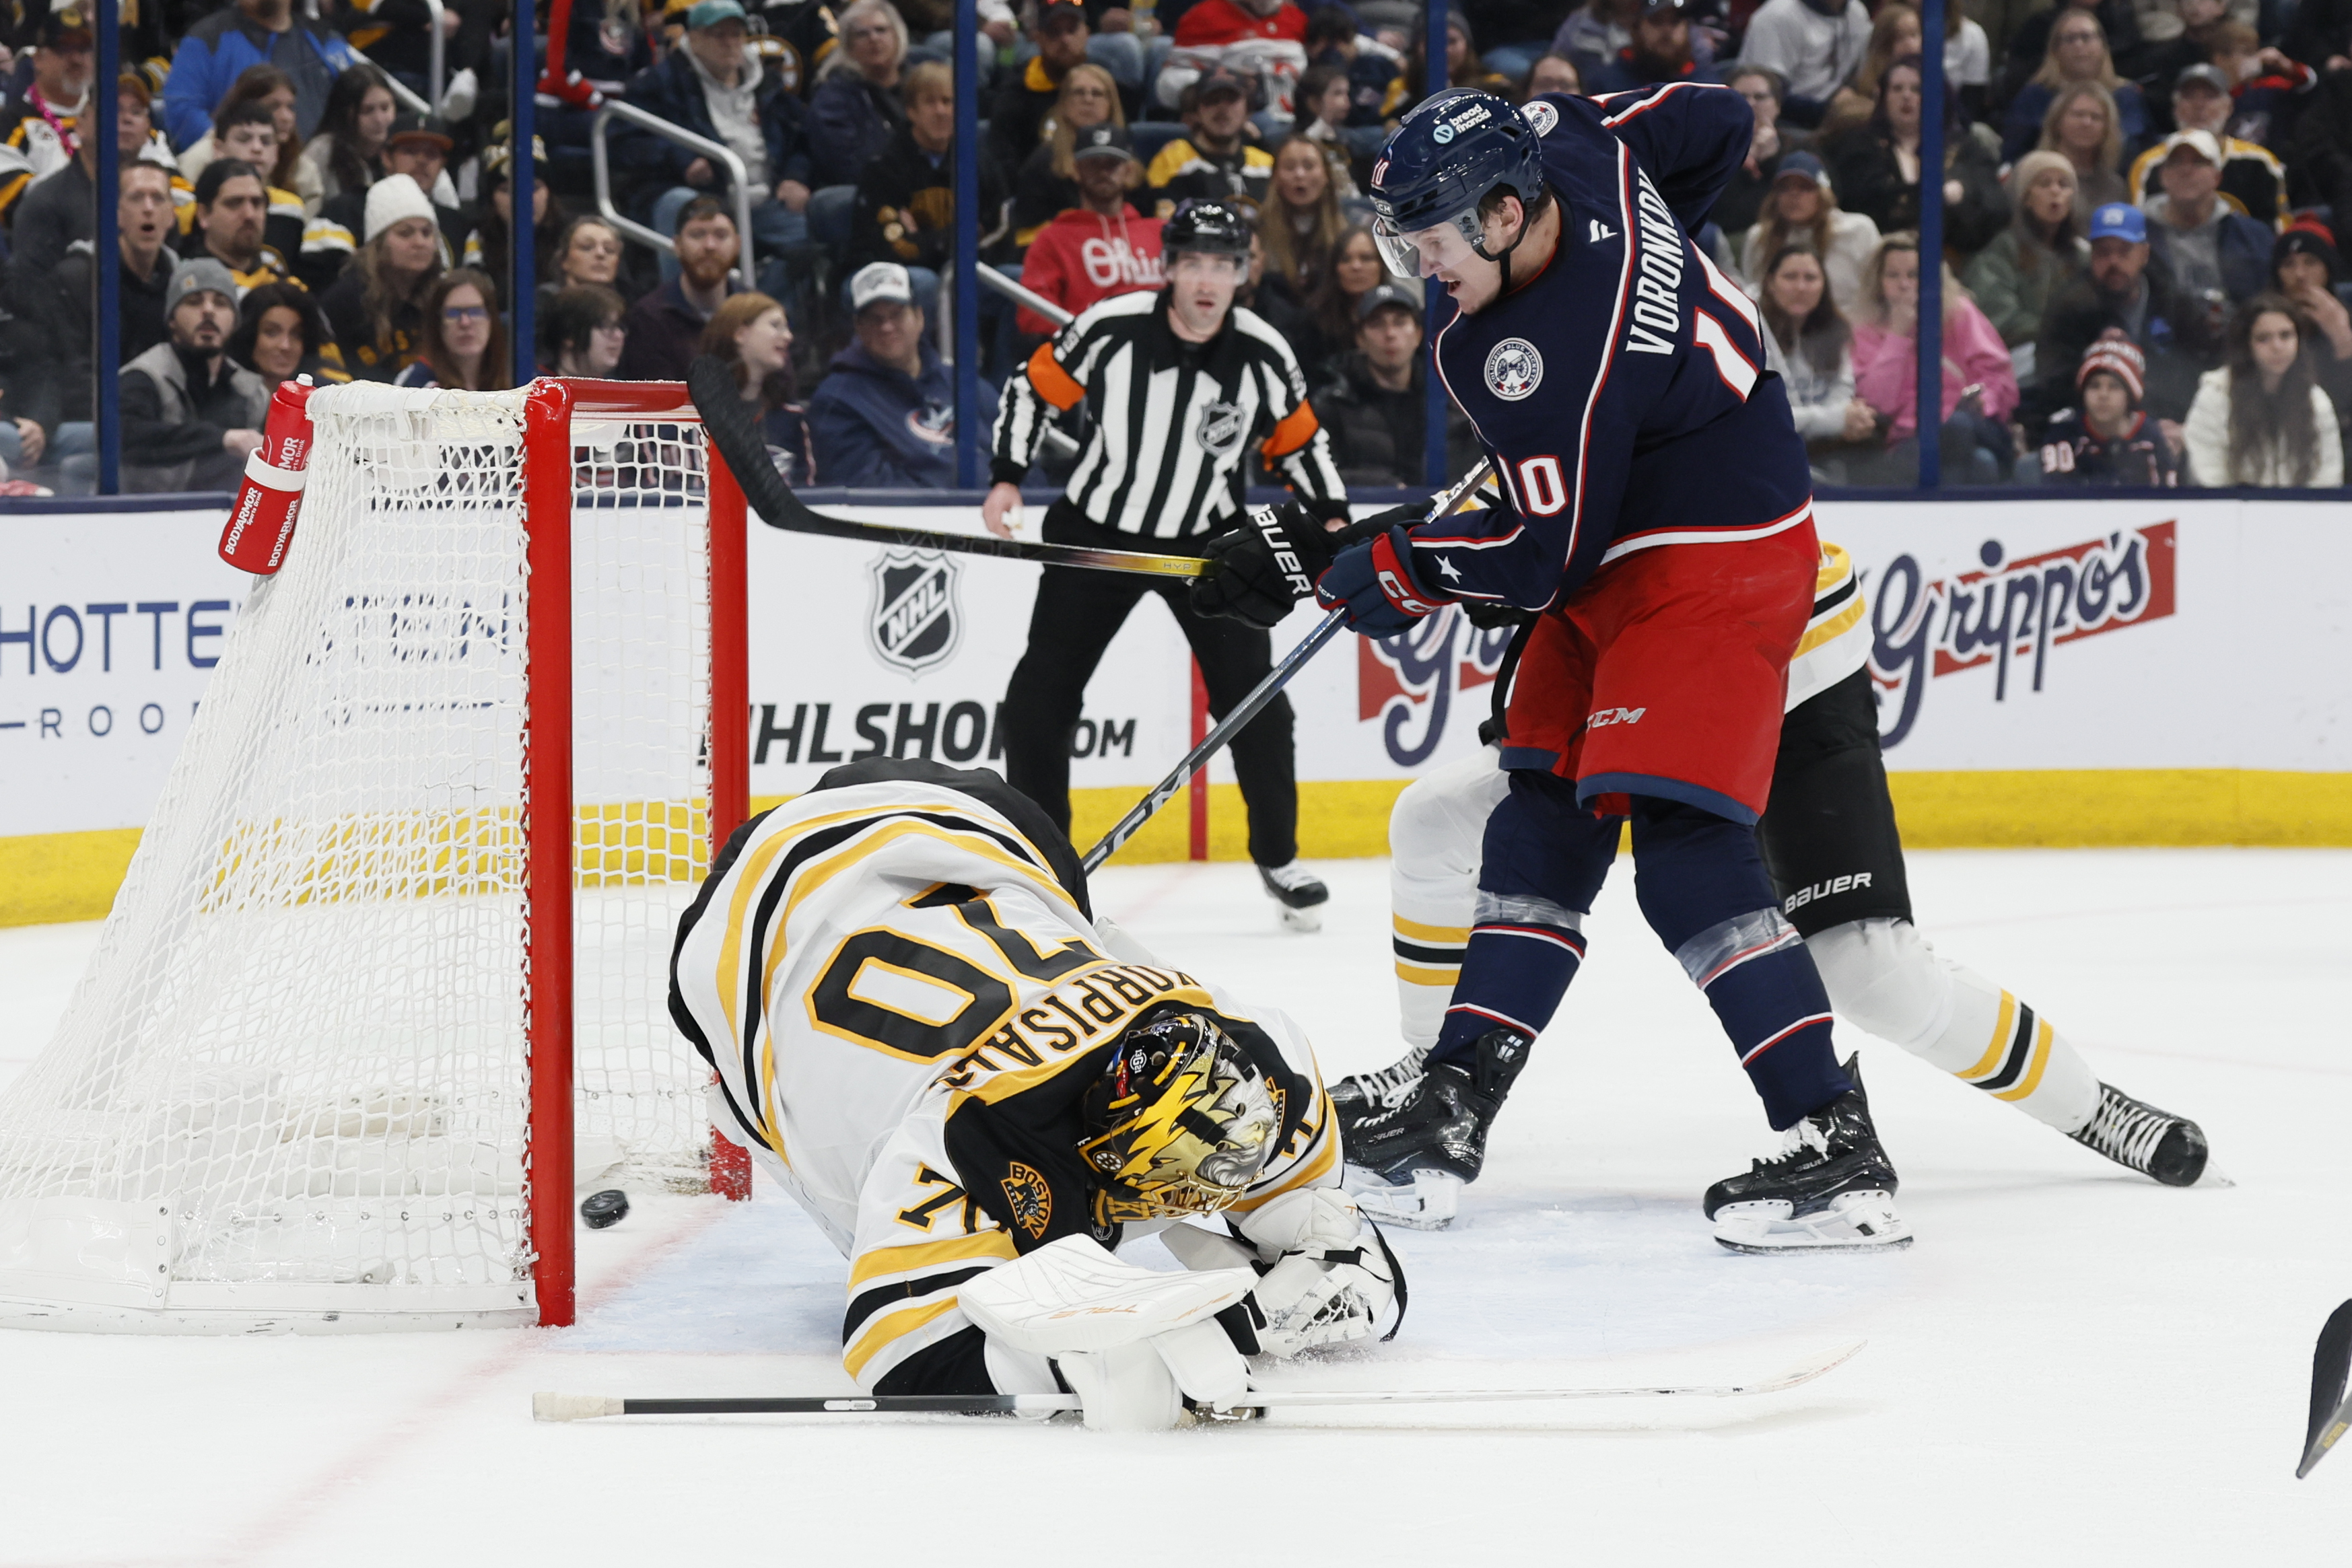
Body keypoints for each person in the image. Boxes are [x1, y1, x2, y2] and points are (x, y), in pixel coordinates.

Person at [1196, 86, 1910, 1252]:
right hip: (1624, 529)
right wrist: (1658, 308)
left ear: (1508, 210)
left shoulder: (1549, 349)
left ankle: (1832, 1141)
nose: (1419, 268)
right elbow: (1719, 120)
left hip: (1709, 558)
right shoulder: (1570, 137)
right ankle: (1452, 1108)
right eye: (1405, 239)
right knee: (1538, 820)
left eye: (1431, 241)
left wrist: (1355, 566)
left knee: (1683, 855)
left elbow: (1533, 556)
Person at [1335, 526, 2213, 1234]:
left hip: (1770, 644)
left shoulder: (1609, 343)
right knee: (1439, 820)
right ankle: (1433, 1074)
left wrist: (1438, 559)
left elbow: (1583, 505)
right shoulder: (1511, 347)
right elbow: (1539, 511)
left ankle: (2090, 1106)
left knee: (1867, 968)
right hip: (1630, 642)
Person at [666, 756, 1399, 1415]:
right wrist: (1080, 1367)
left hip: (968, 817)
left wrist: (1259, 1312)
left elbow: (1347, 1250)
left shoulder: (1263, 1058)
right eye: (1179, 1177)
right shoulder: (964, 1141)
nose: (1218, 1189)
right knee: (819, 1166)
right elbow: (898, 1346)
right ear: (1100, 1147)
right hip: (745, 940)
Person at [986, 200, 1347, 928]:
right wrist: (1006, 475)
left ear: (1241, 273)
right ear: (1169, 268)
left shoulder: (1262, 350)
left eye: (1223, 265)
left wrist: (1333, 516)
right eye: (1193, 264)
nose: (1208, 280)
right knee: (1038, 700)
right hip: (1097, 535)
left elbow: (1299, 441)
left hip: (1208, 552)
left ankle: (1278, 858)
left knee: (1257, 705)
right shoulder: (1110, 326)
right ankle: (1042, 861)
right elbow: (1033, 388)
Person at [621, 0, 812, 283]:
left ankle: (763, 315)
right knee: (681, 207)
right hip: (703, 197)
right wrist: (682, 160)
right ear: (694, 39)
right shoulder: (660, 82)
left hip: (764, 199)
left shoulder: (768, 84)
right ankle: (685, 314)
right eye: (718, 35)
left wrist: (797, 177)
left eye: (736, 35)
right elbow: (624, 138)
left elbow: (802, 139)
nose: (729, 43)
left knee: (811, 242)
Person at [27, 159, 181, 470]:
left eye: (158, 198)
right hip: (94, 421)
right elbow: (71, 370)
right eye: (137, 198)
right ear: (116, 213)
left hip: (157, 419)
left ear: (172, 215)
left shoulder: (182, 285)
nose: (148, 208)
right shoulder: (79, 278)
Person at [2028, 201, 2214, 436]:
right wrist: (2094, 362)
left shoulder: (2174, 302)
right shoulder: (2070, 307)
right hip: (2092, 429)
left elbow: (2200, 369)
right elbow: (2051, 383)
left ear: (2144, 254)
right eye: (2103, 252)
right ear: (2091, 255)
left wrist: (2181, 425)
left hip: (2168, 424)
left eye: (2124, 250)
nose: (2113, 262)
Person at [1850, 233, 2017, 483]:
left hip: (1968, 427)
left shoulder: (1960, 314)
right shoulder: (1865, 330)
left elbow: (1998, 375)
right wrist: (1897, 335)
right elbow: (1877, 404)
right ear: (1878, 281)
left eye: (1913, 275)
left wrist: (1986, 402)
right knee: (1977, 462)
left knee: (1973, 448)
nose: (1904, 284)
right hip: (1907, 440)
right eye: (1893, 276)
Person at [806, 261, 989, 486]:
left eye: (897, 315)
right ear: (858, 327)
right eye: (875, 319)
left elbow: (1019, 457)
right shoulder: (837, 400)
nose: (887, 327)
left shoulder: (961, 382)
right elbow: (868, 492)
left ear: (919, 318)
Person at [1821, 56, 2007, 256]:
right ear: (1883, 97)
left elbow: (1995, 206)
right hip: (1872, 254)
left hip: (1949, 258)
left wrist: (1963, 192)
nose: (1906, 96)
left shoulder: (1965, 148)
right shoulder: (1859, 146)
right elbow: (1865, 201)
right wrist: (1939, 196)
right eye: (1897, 89)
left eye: (1917, 89)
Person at [119, 258, 270, 492]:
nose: (208, 310)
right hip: (148, 517)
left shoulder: (253, 392)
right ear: (171, 319)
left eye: (221, 303)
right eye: (193, 302)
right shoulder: (144, 377)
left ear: (235, 322)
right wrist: (223, 439)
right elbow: (127, 437)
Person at [13, 72, 177, 284]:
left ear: (148, 131)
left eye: (137, 112)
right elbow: (30, 294)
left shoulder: (159, 205)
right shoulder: (46, 203)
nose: (126, 119)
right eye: (114, 108)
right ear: (80, 125)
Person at [1312, 280, 1478, 485]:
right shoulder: (1333, 405)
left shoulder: (1451, 401)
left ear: (1418, 335)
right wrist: (1385, 487)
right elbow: (1319, 474)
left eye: (1400, 322)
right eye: (1377, 324)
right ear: (1360, 339)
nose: (1390, 334)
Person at [1014, 124, 1163, 338]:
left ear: (1128, 171)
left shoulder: (1159, 232)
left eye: (1112, 165)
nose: (1103, 172)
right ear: (1075, 170)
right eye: (1093, 164)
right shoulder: (1052, 239)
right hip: (1087, 353)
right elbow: (1033, 315)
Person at [2182, 295, 2343, 485]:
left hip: (2302, 511)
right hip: (2233, 510)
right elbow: (2207, 475)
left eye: (2286, 335)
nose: (2277, 347)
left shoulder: (2316, 400)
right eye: (2263, 339)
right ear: (2246, 345)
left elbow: (2328, 476)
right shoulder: (2215, 396)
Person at [162, 0, 360, 153]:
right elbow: (182, 112)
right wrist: (235, 148)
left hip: (321, 173)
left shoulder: (325, 40)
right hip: (237, 175)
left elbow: (362, 98)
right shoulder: (206, 39)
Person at [1962, 151, 2088, 371]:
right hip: (2016, 355)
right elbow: (1999, 317)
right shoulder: (2002, 250)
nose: (2055, 191)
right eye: (2044, 183)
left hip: (2073, 351)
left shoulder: (2082, 254)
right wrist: (2058, 331)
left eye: (2063, 184)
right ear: (2025, 196)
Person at [304, 110, 462, 287]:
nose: (422, 160)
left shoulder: (457, 223)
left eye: (432, 154)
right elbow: (318, 281)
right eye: (410, 151)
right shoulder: (343, 211)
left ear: (443, 164)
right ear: (386, 158)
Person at [2128, 63, 2286, 231]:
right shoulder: (2149, 165)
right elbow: (2138, 235)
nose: (2199, 105)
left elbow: (2277, 232)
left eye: (2210, 96)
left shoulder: (2261, 162)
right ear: (2175, 108)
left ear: (2229, 107)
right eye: (2189, 96)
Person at [1756, 246, 1873, 470]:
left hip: (1824, 447)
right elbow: (1767, 416)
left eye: (1810, 278)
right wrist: (1833, 420)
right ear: (1770, 283)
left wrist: (1844, 419)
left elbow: (1843, 389)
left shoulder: (1837, 331)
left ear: (1824, 286)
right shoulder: (1751, 332)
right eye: (1790, 277)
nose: (1801, 287)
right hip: (1767, 452)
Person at [318, 173, 444, 380]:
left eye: (427, 232)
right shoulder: (344, 302)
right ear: (379, 244)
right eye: (405, 233)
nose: (420, 242)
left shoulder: (440, 298)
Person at [2141, 129, 2273, 311]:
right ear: (2163, 176)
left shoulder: (2254, 237)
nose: (2186, 170)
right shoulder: (2139, 235)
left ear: (2217, 177)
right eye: (2177, 162)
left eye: (2198, 162)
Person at [1737, 151, 1878, 314]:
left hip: (1852, 329)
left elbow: (1876, 291)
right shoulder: (1759, 237)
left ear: (1823, 193)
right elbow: (1752, 292)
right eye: (1784, 188)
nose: (1794, 195)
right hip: (1779, 330)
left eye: (1805, 187)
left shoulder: (1858, 230)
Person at [617, 197, 741, 380]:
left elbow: (782, 393)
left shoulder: (757, 315)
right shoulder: (648, 318)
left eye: (721, 235)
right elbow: (655, 401)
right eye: (697, 235)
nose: (710, 246)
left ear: (738, 244)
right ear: (678, 245)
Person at [2002, 8, 2147, 165]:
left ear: (2103, 45)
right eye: (2070, 39)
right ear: (2055, 50)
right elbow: (2013, 155)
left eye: (2086, 37)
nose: (2078, 45)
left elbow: (2146, 147)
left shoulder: (2127, 94)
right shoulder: (2034, 95)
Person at [699, 291, 813, 482]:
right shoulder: (688, 420)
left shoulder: (791, 419)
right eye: (776, 326)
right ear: (741, 334)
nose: (788, 336)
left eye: (788, 327)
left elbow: (808, 492)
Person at [2037, 331, 2179, 485]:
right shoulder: (2063, 434)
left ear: (2130, 395)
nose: (2103, 395)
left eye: (2114, 387)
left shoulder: (2151, 438)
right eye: (2094, 386)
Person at [176, 65, 318, 213]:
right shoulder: (198, 161)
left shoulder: (304, 168)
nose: (286, 117)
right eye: (274, 106)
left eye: (291, 107)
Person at [1010, 63, 1124, 247]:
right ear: (1064, 103)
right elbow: (1027, 234)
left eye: (1097, 94)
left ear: (1111, 104)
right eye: (1079, 93)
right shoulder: (1043, 162)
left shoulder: (1128, 160)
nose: (1088, 100)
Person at [0, 6, 95, 225]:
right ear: (38, 59)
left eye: (83, 49)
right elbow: (14, 203)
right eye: (64, 49)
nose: (77, 60)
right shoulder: (10, 124)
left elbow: (176, 187)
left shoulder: (113, 117)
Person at [806, 0, 908, 189]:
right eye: (862, 33)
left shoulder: (918, 82)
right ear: (848, 46)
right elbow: (846, 168)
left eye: (881, 30)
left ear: (897, 35)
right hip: (868, 195)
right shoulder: (833, 99)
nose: (874, 39)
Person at [1146, 68, 1272, 217]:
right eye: (1212, 100)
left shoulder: (1266, 164)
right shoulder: (1171, 159)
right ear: (1196, 111)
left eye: (1231, 99)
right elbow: (1162, 225)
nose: (1222, 108)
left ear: (1248, 111)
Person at [1736, 0, 1870, 129]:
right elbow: (1765, 99)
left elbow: (1859, 74)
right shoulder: (1778, 16)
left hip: (1834, 112)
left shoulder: (1856, 13)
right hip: (1785, 122)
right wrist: (1828, 110)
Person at [462, 132, 566, 293]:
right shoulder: (472, 237)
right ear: (492, 201)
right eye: (507, 190)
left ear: (549, 194)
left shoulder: (572, 237)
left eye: (533, 188)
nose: (522, 199)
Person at [2271, 224, 2352, 426]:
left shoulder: (2347, 319)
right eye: (2289, 264)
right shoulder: (2261, 322)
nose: (2300, 274)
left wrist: (2342, 337)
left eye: (2311, 262)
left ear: (2327, 270)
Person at [181, 158, 299, 293]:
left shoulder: (284, 284)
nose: (249, 215)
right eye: (234, 203)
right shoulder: (183, 285)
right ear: (203, 214)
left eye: (257, 203)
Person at [1256, 136, 1344, 314]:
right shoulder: (1257, 231)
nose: (1300, 175)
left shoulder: (1346, 232)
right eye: (1289, 167)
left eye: (1309, 166)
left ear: (1327, 175)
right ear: (1276, 177)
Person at [1301, 224, 1396, 374]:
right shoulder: (1313, 323)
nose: (1356, 266)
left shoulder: (1402, 313)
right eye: (1346, 259)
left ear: (1382, 265)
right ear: (1334, 268)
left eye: (1366, 258)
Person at [298, 63, 395, 208]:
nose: (380, 120)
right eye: (368, 111)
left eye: (385, 108)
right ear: (346, 114)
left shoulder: (400, 149)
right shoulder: (323, 150)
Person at [396, 267, 510, 390]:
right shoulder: (415, 384)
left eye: (475, 312)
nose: (465, 322)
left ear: (491, 319)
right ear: (438, 324)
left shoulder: (520, 379)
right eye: (453, 313)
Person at [1816, 1, 1919, 137]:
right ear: (1884, 43)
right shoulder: (1866, 80)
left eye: (1914, 35)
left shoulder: (1930, 75)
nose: (1910, 44)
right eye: (1900, 38)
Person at [2035, 80, 2128, 221]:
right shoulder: (2034, 176)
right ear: (2057, 123)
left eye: (2096, 117)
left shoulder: (2115, 187)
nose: (2086, 123)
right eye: (2078, 114)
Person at [227, 280, 348, 387]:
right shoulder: (222, 394)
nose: (285, 346)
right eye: (271, 333)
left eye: (297, 335)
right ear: (249, 336)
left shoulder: (325, 396)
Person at [1586, 0, 1707, 94]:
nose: (1667, 30)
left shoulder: (1705, 86)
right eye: (1657, 21)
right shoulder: (1608, 85)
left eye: (1675, 21)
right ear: (1636, 27)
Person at [537, 283, 629, 376]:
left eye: (619, 326)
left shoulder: (616, 388)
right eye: (605, 326)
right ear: (570, 335)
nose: (619, 335)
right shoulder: (534, 387)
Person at [551, 215, 626, 292]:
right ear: (564, 260)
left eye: (609, 250)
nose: (600, 253)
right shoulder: (547, 299)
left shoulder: (625, 302)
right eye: (586, 247)